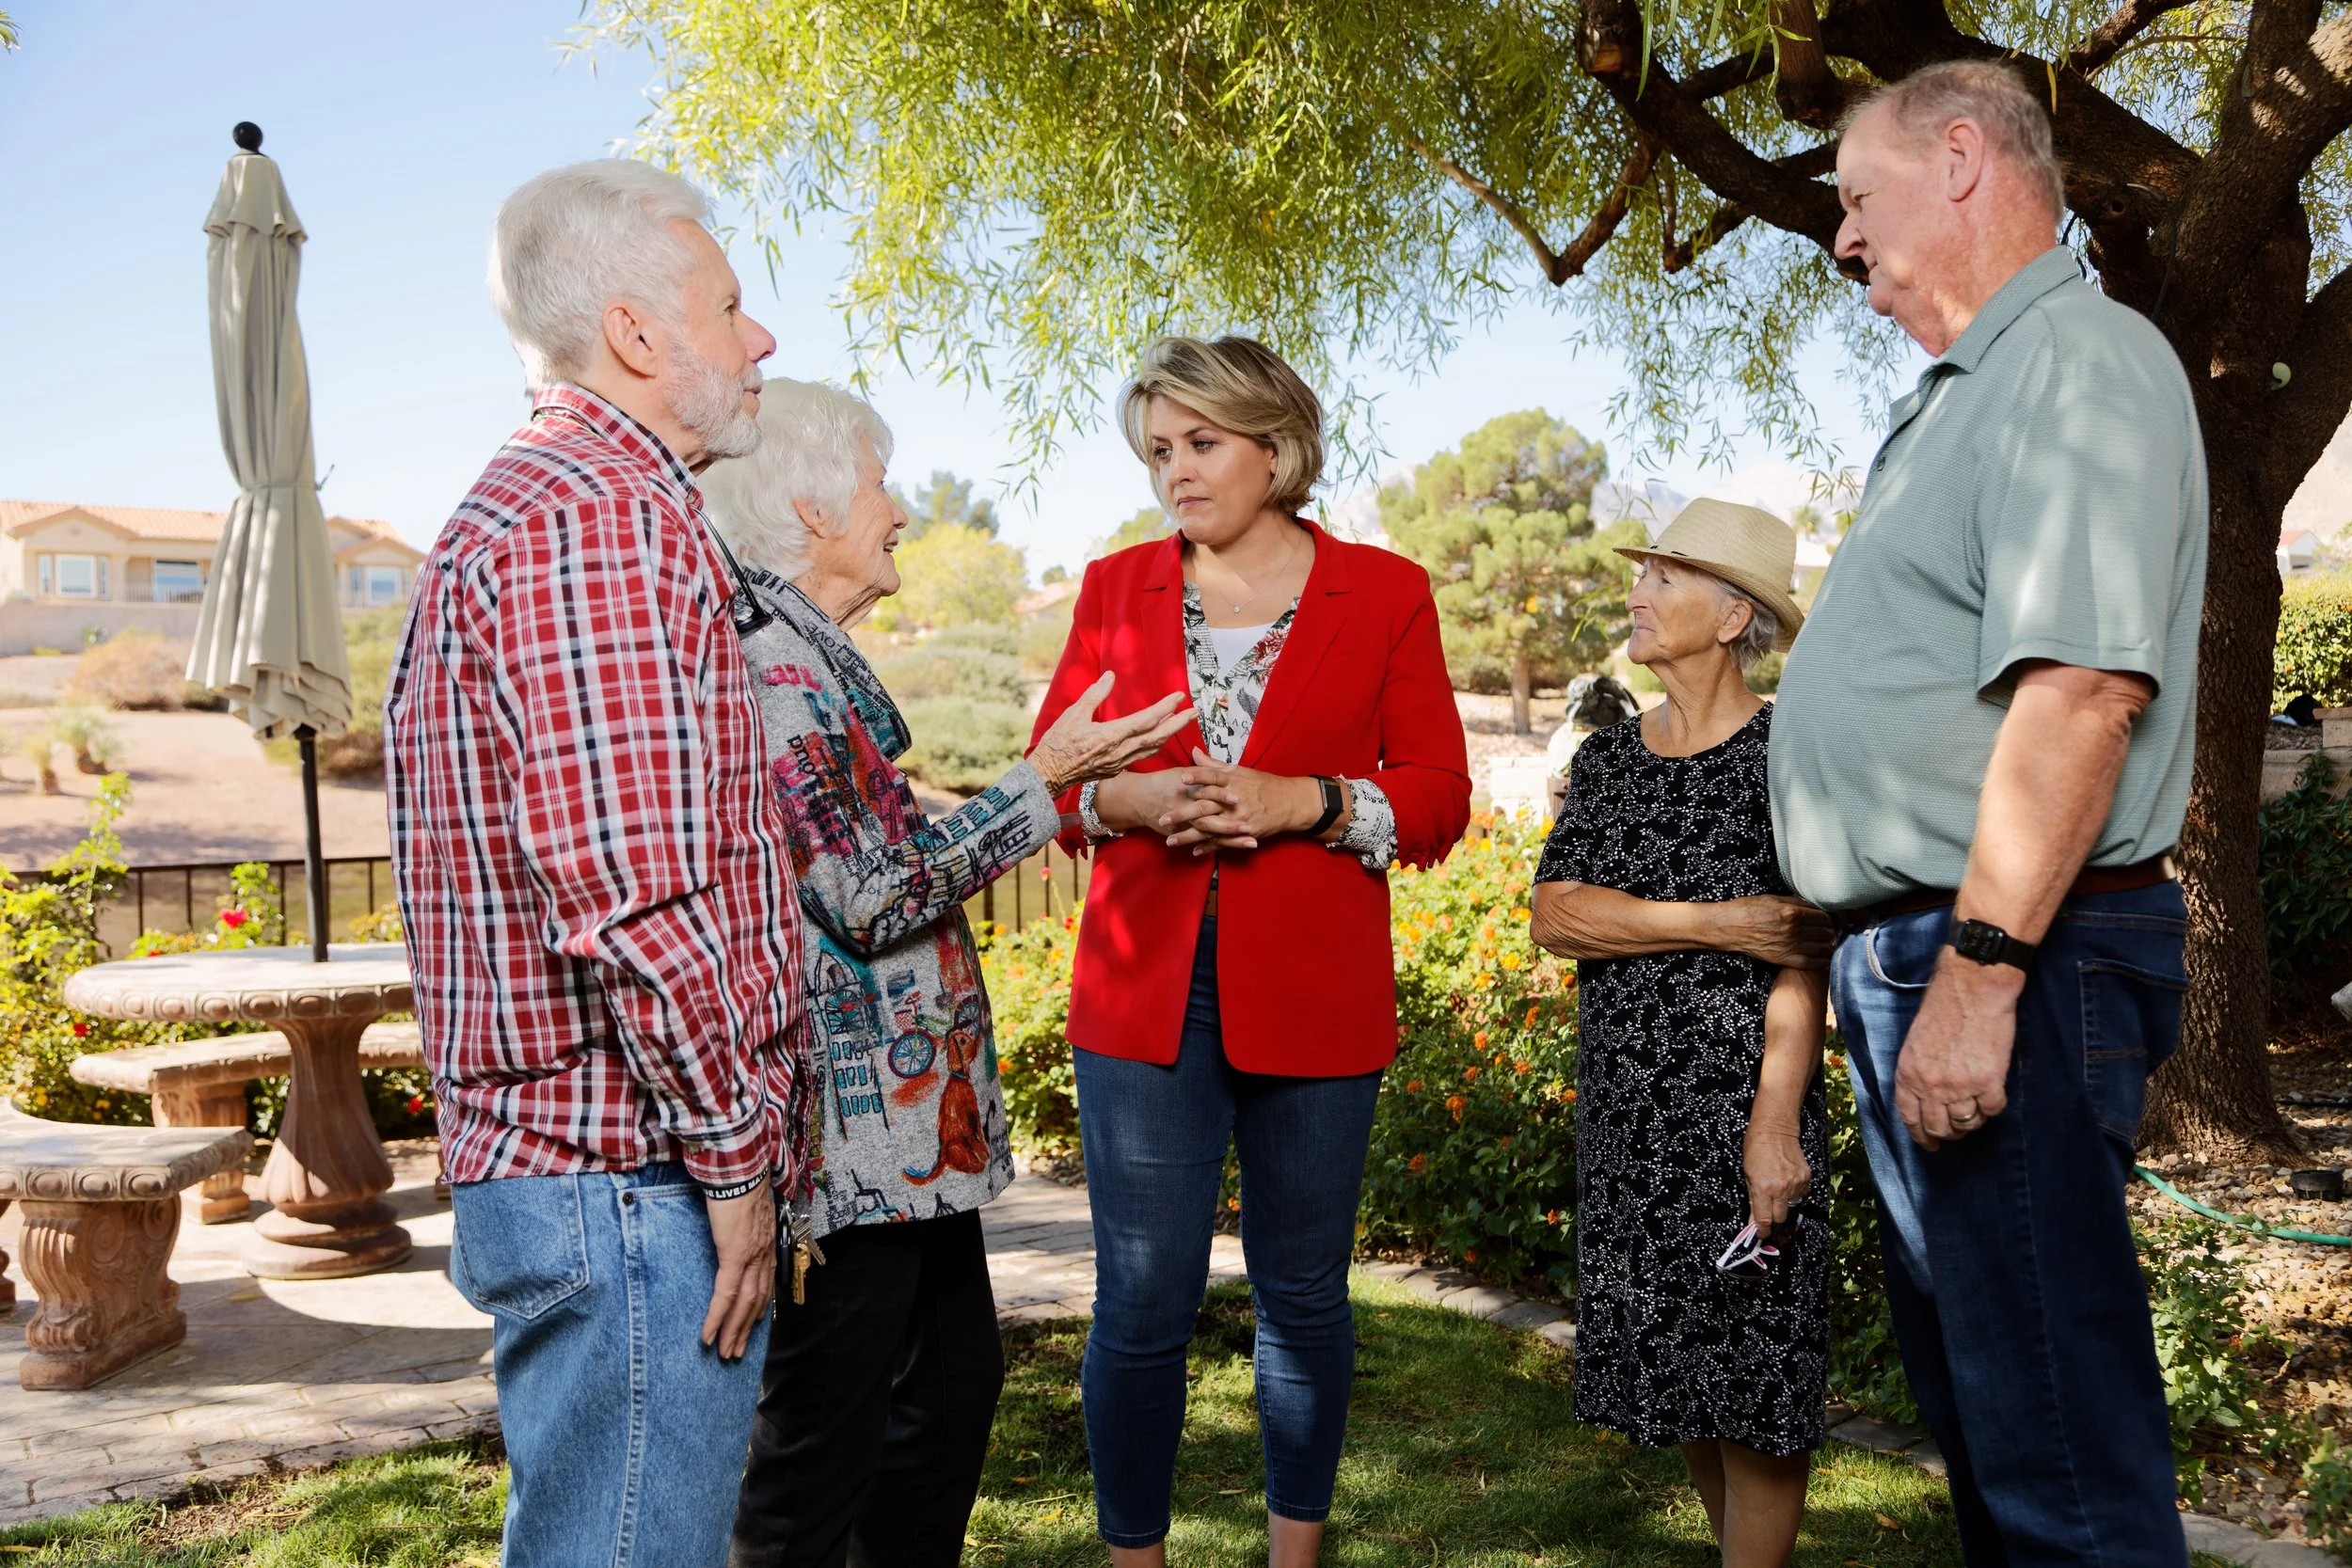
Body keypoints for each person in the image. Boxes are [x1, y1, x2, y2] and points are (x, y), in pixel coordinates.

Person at [1771, 61, 2207, 1563]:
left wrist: (1978, 973)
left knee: (2056, 1471)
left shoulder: (2077, 361)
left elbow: (2083, 691)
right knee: (1997, 1436)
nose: (1841, 238)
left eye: (1855, 197)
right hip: (1947, 957)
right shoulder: (1974, 387)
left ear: (1962, 159)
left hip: (2012, 953)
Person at [695, 378, 1193, 1567]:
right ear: (811, 509)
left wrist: (1046, 779)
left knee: (946, 1393)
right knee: (823, 1447)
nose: (899, 506)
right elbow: (869, 895)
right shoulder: (777, 675)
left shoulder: (810, 666)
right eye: (876, 481)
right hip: (847, 1143)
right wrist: (1047, 777)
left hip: (907, 1143)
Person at [384, 160, 795, 1568]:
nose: (762, 340)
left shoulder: (571, 504)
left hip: (601, 1176)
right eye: (731, 307)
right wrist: (741, 1173)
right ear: (635, 334)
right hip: (631, 1181)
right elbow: (635, 896)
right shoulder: (595, 514)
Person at [1030, 335, 1470, 1566]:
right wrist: (1130, 800)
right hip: (1141, 991)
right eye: (1159, 448)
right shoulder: (1115, 587)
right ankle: (1135, 1558)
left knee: (1305, 1294)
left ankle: (1296, 1555)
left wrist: (1308, 803)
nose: (1175, 469)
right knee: (1140, 1299)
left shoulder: (1387, 591)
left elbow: (1438, 793)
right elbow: (1056, 782)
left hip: (1318, 994)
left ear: (1276, 445)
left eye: (1201, 442)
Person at [1530, 500, 1833, 1568]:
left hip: (1745, 1104)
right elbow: (1556, 912)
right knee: (1683, 1383)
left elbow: (1801, 951)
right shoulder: (1611, 758)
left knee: (1757, 1383)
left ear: (1731, 611)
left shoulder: (1791, 746)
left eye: (1666, 574)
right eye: (1642, 571)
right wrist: (1713, 922)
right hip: (1631, 1121)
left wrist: (1774, 1125)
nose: (1637, 590)